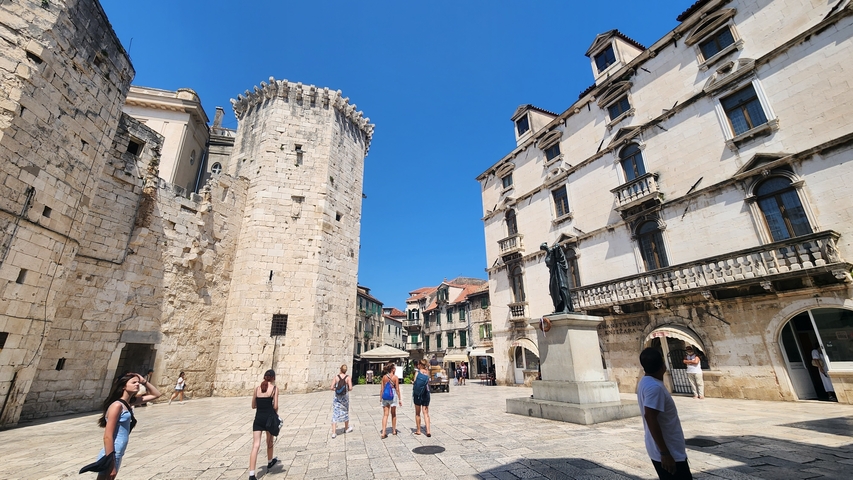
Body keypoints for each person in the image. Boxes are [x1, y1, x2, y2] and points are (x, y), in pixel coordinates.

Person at [90, 373, 161, 479]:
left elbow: (156, 395)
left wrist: (144, 381)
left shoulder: (128, 403)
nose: (137, 384)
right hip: (112, 452)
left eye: (138, 382)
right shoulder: (117, 406)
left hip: (118, 452)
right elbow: (107, 436)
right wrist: (111, 462)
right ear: (123, 386)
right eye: (134, 382)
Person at [638, 348, 693, 479]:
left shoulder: (645, 381)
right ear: (663, 365)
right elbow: (650, 417)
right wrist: (664, 453)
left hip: (662, 449)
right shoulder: (654, 387)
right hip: (668, 451)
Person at [248, 370, 279, 480]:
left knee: (255, 445)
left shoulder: (257, 389)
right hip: (269, 419)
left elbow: (253, 405)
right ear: (273, 378)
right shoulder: (274, 389)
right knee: (269, 441)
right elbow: (275, 406)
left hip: (258, 419)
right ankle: (270, 462)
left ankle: (251, 474)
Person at [540, 242, 574, 314]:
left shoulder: (556, 250)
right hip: (554, 274)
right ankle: (558, 307)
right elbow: (550, 262)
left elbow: (560, 257)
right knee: (554, 290)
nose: (545, 248)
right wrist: (552, 252)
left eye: (545, 246)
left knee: (563, 287)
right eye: (543, 248)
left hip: (560, 271)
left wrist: (557, 248)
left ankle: (566, 306)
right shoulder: (547, 257)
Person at [379, 361, 402, 438]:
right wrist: (400, 399)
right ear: (392, 369)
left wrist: (380, 398)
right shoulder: (395, 377)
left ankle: (383, 432)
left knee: (385, 414)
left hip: (385, 395)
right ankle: (394, 430)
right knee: (393, 413)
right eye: (394, 368)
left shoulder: (384, 377)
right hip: (393, 395)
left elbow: (382, 389)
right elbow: (397, 389)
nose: (395, 369)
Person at [330, 364, 353, 438]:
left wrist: (336, 390)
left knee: (335, 413)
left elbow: (331, 387)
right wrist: (345, 390)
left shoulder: (336, 377)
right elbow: (350, 388)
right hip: (345, 398)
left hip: (337, 397)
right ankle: (346, 428)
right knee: (345, 411)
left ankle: (333, 432)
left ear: (340, 369)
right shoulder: (348, 377)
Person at [412, 359, 432, 437]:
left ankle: (418, 430)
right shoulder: (427, 373)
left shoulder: (417, 372)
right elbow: (428, 382)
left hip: (417, 394)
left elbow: (415, 383)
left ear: (419, 365)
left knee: (417, 413)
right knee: (426, 413)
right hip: (426, 393)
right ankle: (428, 431)